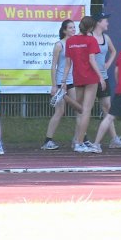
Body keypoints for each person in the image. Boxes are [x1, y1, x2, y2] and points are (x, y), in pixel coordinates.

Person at [61, 15, 105, 153]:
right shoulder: (91, 40)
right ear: (91, 28)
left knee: (80, 110)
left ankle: (77, 140)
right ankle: (79, 143)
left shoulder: (70, 41)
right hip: (90, 78)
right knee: (86, 111)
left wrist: (63, 81)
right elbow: (92, 60)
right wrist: (101, 77)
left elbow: (67, 64)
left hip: (78, 78)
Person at [41, 20, 83, 150]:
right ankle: (48, 141)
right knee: (60, 111)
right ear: (64, 30)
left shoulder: (75, 43)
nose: (73, 30)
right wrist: (54, 85)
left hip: (72, 81)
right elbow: (53, 65)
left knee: (80, 110)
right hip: (61, 82)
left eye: (74, 27)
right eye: (70, 28)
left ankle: (78, 139)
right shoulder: (59, 45)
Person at [91, 12, 121, 149]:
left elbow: (114, 51)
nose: (108, 23)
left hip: (103, 78)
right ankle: (79, 139)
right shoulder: (89, 37)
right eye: (105, 20)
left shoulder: (106, 38)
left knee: (107, 108)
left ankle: (114, 139)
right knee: (85, 109)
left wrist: (108, 64)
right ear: (98, 22)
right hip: (91, 79)